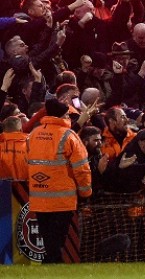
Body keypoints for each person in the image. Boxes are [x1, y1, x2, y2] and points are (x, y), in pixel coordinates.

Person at [25, 99, 92, 264]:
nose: (69, 116)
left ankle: (52, 267)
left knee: (49, 242)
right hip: (62, 200)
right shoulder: (69, 136)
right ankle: (52, 267)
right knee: (55, 244)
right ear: (63, 115)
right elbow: (82, 168)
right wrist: (86, 192)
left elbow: (27, 161)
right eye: (68, 114)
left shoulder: (33, 134)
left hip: (39, 198)